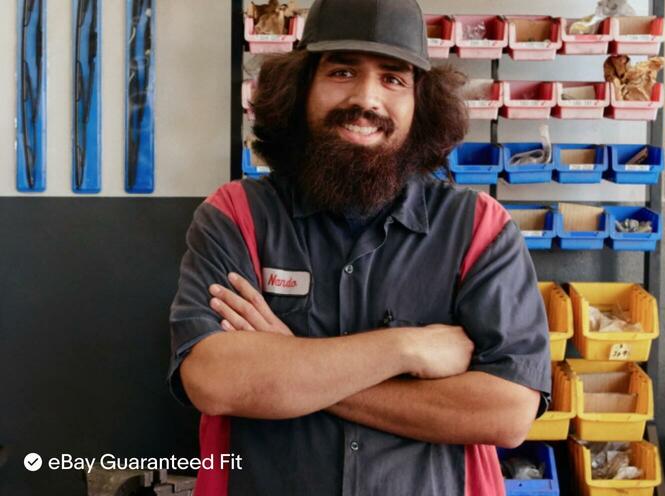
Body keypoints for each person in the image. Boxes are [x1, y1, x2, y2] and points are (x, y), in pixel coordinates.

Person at [168, 0, 551, 494]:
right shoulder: (235, 215)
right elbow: (214, 381)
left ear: (421, 104)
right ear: (300, 89)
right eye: (342, 71)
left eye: (393, 79)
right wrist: (404, 348)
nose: (366, 98)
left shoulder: (480, 230)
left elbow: (506, 413)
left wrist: (290, 365)